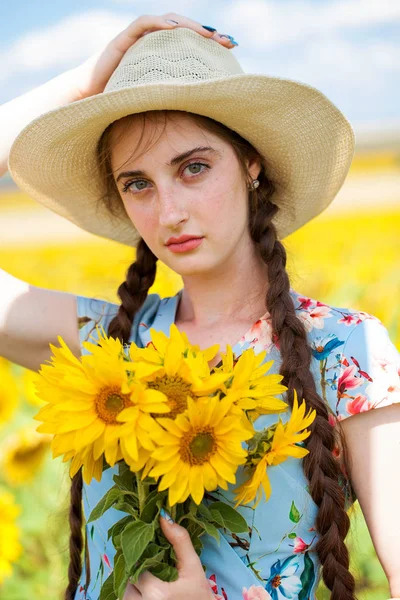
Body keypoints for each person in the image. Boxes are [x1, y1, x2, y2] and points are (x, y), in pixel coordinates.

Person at [1, 12, 399, 600]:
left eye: (193, 168)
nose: (169, 212)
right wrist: (90, 81)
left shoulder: (347, 351)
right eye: (137, 183)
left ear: (250, 163)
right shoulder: (107, 347)